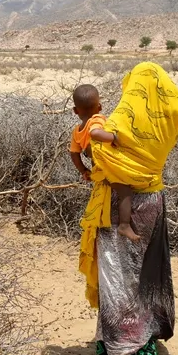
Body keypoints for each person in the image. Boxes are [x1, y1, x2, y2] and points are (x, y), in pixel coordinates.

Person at [78, 61, 178, 355]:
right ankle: (144, 342)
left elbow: (96, 153)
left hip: (118, 206)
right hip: (153, 201)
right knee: (144, 272)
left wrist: (91, 133)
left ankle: (121, 349)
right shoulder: (166, 121)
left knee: (118, 276)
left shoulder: (121, 121)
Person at [69, 84, 139, 242]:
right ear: (99, 107)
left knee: (115, 188)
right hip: (107, 169)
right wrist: (114, 138)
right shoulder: (97, 119)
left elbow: (74, 154)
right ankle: (124, 225)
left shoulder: (76, 131)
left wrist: (84, 171)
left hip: (97, 171)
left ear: (75, 111)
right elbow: (95, 132)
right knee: (125, 191)